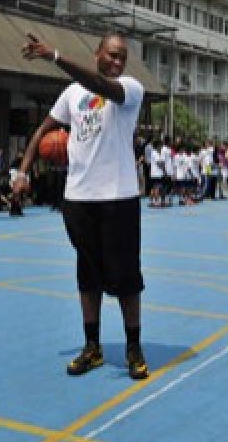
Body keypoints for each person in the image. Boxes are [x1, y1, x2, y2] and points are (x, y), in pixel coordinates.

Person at [16, 32, 151, 380]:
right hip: (78, 199)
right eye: (111, 55)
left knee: (126, 279)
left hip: (118, 198)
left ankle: (133, 346)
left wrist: (55, 57)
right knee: (86, 276)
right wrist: (22, 171)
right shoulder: (72, 94)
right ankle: (92, 346)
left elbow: (101, 87)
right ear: (97, 54)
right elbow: (43, 130)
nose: (117, 62)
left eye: (122, 57)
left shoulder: (130, 90)